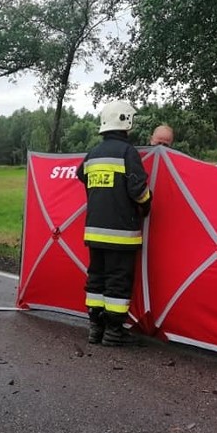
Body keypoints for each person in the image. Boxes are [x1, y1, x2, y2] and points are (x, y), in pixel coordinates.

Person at [77, 100, 152, 346]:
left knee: (96, 277)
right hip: (120, 233)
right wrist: (147, 203)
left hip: (94, 231)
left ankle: (94, 329)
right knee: (118, 280)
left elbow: (81, 174)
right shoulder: (127, 152)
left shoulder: (94, 153)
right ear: (125, 122)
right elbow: (138, 189)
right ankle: (113, 331)